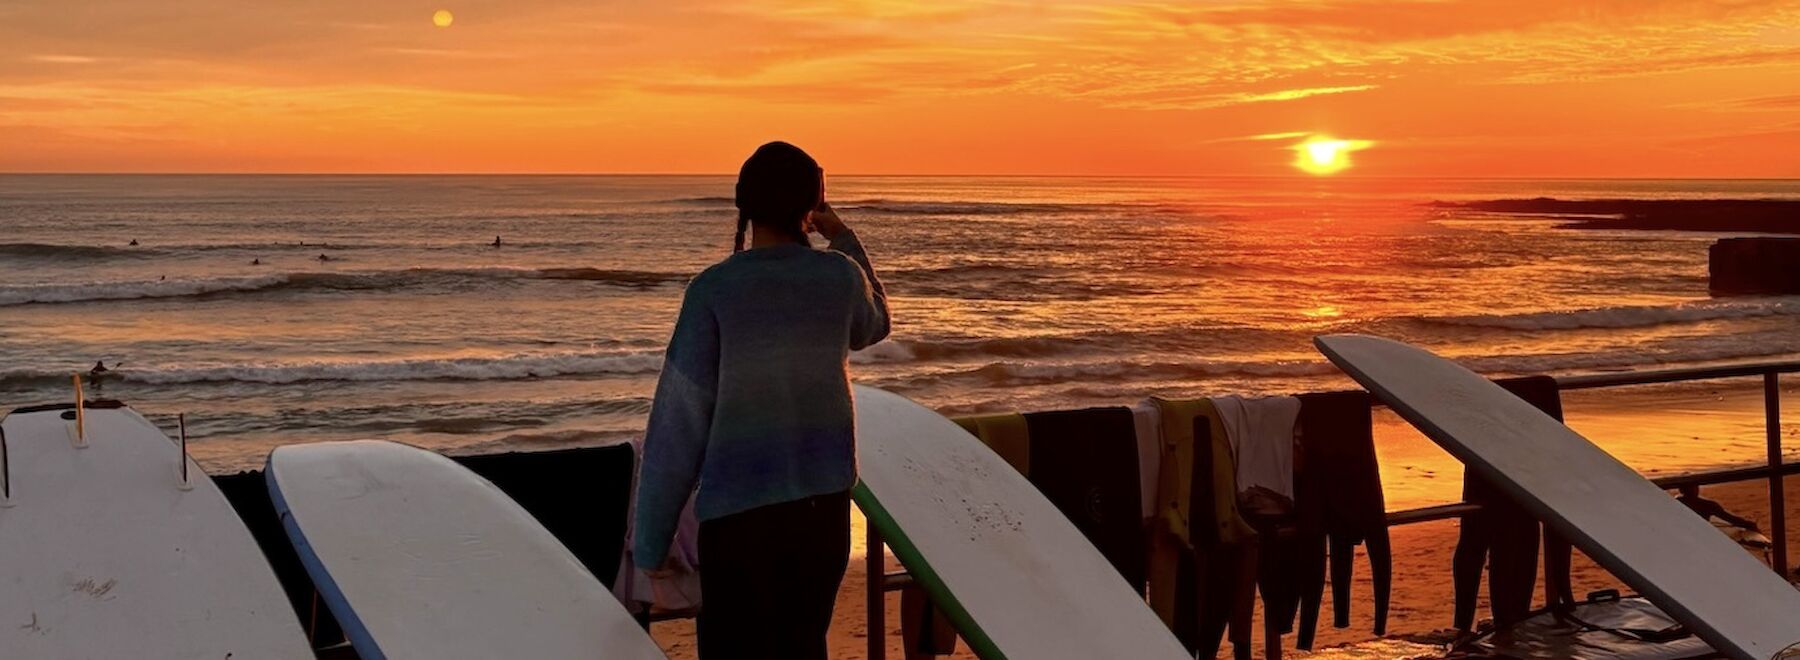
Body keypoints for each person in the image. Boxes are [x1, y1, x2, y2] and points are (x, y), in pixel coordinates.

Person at [632, 141, 889, 659]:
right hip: (823, 515)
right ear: (811, 204)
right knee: (802, 646)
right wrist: (839, 233)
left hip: (739, 521)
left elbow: (679, 419)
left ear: (743, 204)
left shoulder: (714, 289)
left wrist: (652, 539)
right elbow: (875, 322)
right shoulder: (838, 278)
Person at [1676, 484, 1758, 530]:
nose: (1696, 489)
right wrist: (1748, 524)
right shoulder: (1707, 505)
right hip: (1700, 535)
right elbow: (1729, 518)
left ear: (1681, 490)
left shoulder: (1676, 502)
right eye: (1694, 487)